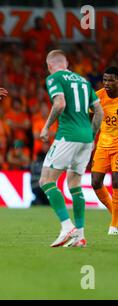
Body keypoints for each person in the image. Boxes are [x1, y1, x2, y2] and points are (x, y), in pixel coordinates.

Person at [39, 50, 103, 248]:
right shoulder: (84, 82)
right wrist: (91, 137)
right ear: (66, 63)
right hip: (86, 139)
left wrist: (46, 126)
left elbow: (59, 104)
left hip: (68, 135)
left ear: (50, 65)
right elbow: (99, 112)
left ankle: (67, 227)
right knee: (74, 183)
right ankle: (81, 236)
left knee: (46, 180)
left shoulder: (54, 78)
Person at [90, 67, 118, 235]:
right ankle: (116, 215)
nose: (107, 83)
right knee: (95, 182)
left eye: (111, 80)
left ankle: (114, 226)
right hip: (103, 144)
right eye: (105, 80)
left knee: (116, 181)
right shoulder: (98, 96)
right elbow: (88, 116)